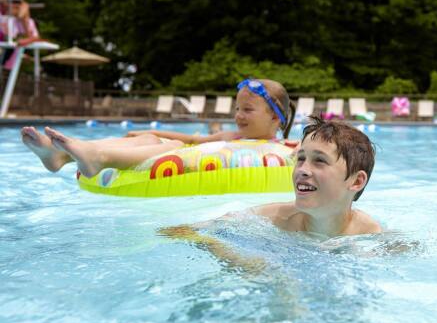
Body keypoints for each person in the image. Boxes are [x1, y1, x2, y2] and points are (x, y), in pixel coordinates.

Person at [162, 116, 381, 244]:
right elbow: (192, 231)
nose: (302, 170)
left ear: (356, 182)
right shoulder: (274, 219)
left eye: (319, 161)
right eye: (301, 159)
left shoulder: (368, 235)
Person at [21, 78, 296, 177]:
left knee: (174, 147)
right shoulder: (231, 136)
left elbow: (185, 144)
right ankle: (61, 156)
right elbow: (190, 138)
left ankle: (98, 157)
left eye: (247, 110)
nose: (238, 115)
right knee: (152, 138)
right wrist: (150, 133)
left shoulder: (285, 150)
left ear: (276, 119)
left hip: (193, 164)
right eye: (237, 109)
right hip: (188, 157)